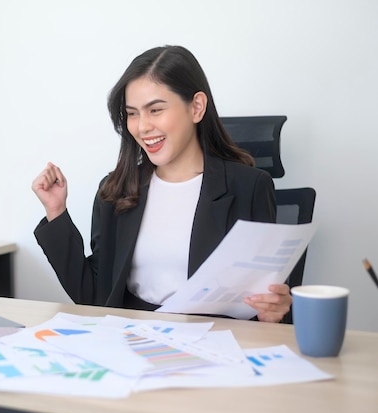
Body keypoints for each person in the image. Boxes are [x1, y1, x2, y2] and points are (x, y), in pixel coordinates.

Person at [31, 45, 291, 323]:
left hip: (213, 346)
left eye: (155, 109)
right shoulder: (116, 190)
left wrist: (273, 310)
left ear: (197, 107)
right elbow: (94, 296)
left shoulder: (248, 188)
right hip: (131, 341)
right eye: (132, 113)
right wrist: (56, 211)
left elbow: (266, 298)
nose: (142, 127)